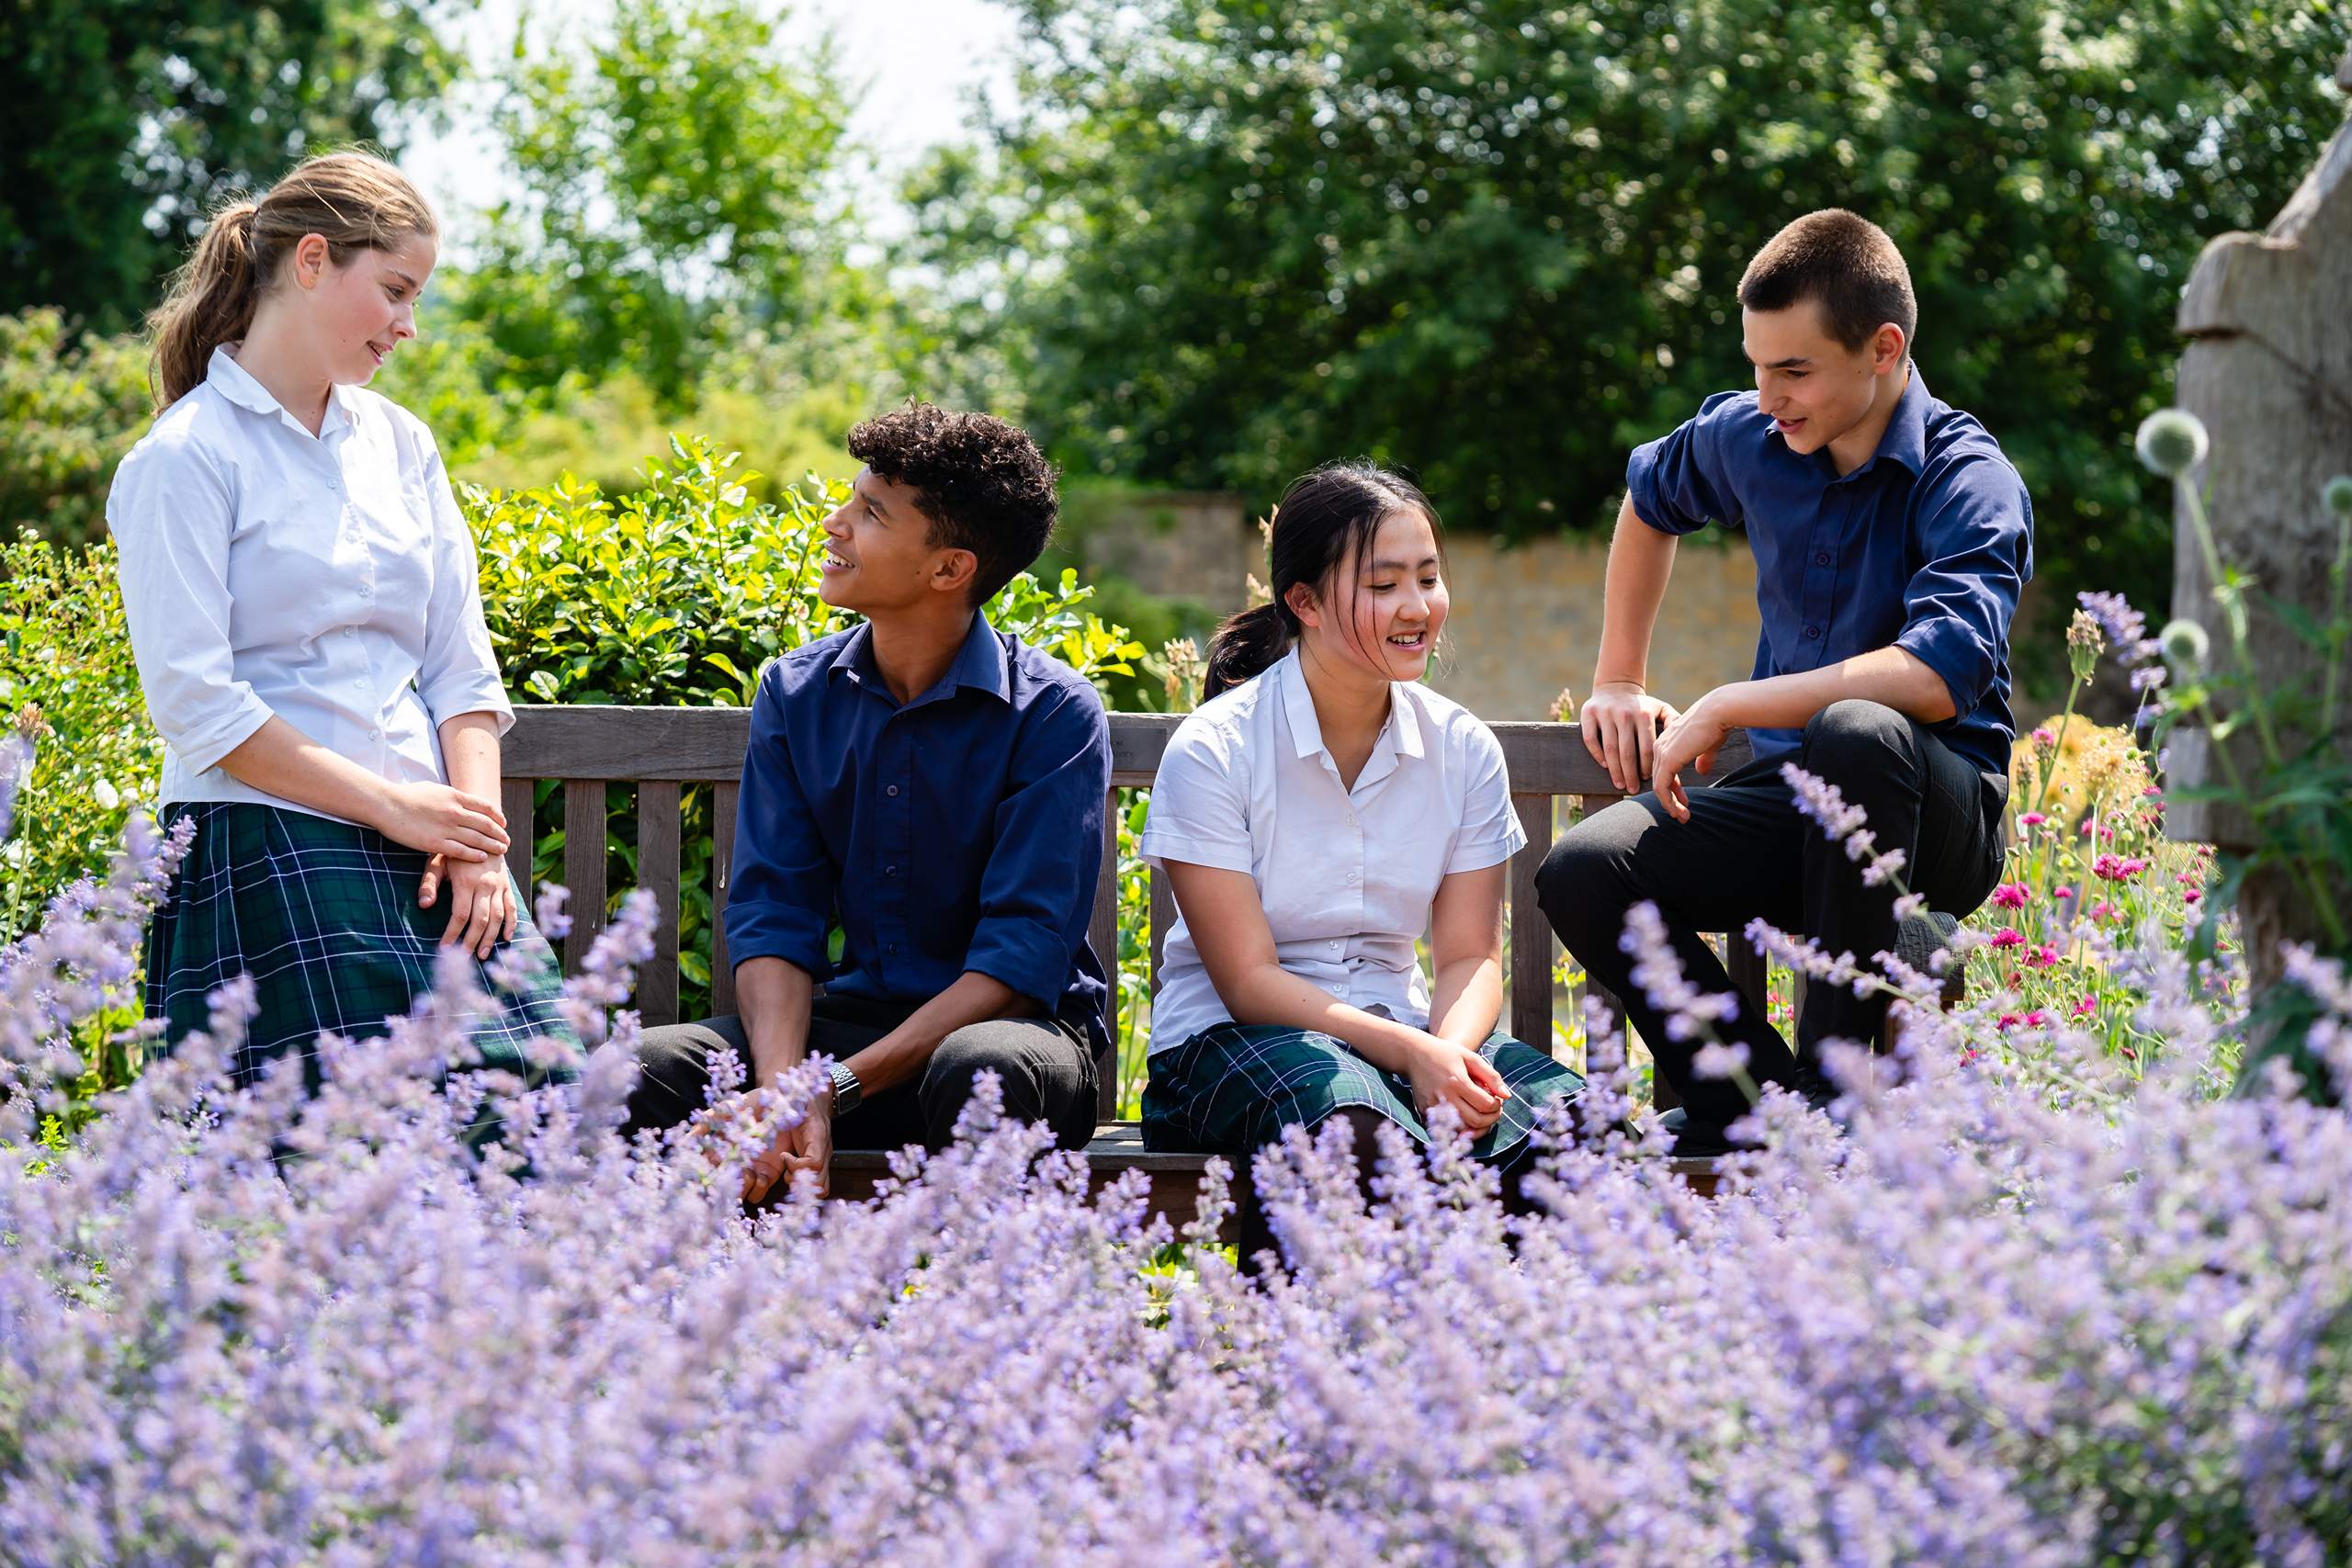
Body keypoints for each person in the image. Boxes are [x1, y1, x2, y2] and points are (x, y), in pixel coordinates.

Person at [1536, 209, 2032, 1155]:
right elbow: (1650, 503)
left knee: (1857, 727)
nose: (1766, 396)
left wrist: (1727, 703)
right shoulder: (1752, 435)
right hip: (1796, 802)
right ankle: (1758, 1104)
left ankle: (1831, 1078)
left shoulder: (1968, 477)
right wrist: (1616, 676)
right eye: (1757, 365)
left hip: (1934, 819)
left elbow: (1932, 677)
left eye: (1793, 369)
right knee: (1585, 871)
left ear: (1882, 350)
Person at [110, 151, 571, 1096]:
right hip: (268, 836)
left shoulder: (403, 445)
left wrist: (476, 843)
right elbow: (199, 707)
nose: (409, 327)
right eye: (396, 290)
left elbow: (459, 669)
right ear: (313, 260)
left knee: (544, 1105)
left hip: (437, 842)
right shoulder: (184, 459)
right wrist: (396, 807)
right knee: (363, 1141)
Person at [623, 405, 1112, 1201]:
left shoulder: (1053, 713)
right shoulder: (795, 692)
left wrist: (834, 1089)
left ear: (950, 568)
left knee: (981, 1068)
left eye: (870, 512)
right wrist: (786, 1094)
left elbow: (1021, 961)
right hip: (840, 1037)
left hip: (1013, 1043)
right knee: (631, 1075)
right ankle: (714, 1320)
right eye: (850, 500)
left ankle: (981, 1319)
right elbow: (776, 910)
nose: (834, 523)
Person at [1139, 461, 1584, 1260]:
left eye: (1428, 577)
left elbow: (1469, 953)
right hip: (1225, 1043)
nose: (1418, 608)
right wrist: (1415, 1057)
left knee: (1578, 1128)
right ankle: (1299, 1372)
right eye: (1383, 585)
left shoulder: (1461, 749)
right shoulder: (1215, 748)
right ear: (1303, 603)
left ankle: (1521, 1369)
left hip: (1402, 1030)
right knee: (1350, 1127)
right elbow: (1246, 981)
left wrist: (1446, 1058)